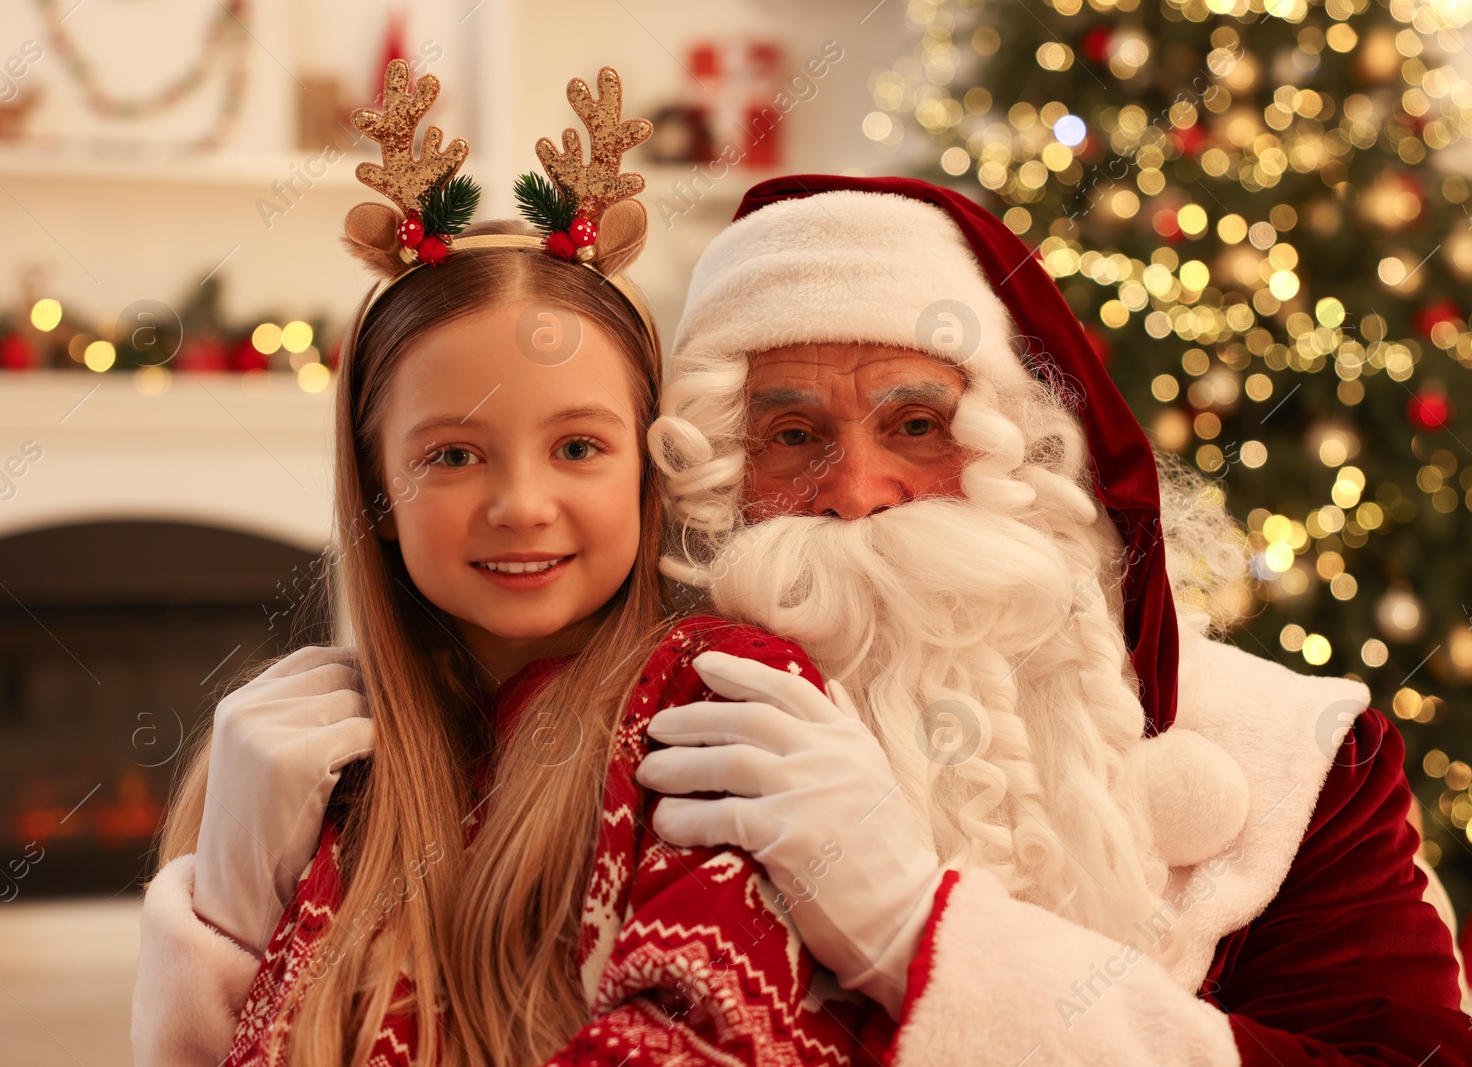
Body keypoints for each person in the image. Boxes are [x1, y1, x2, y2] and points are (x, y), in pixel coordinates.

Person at [631, 175, 1472, 1064]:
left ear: (1022, 455)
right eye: (790, 436)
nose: (858, 496)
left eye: (918, 425)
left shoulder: (1297, 757)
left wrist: (920, 941)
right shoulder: (628, 730)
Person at [131, 64, 902, 1067]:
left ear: (648, 462)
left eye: (578, 446)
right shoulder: (315, 768)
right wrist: (224, 915)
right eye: (451, 454)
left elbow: (709, 1033)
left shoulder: (718, 706)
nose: (521, 504)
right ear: (377, 491)